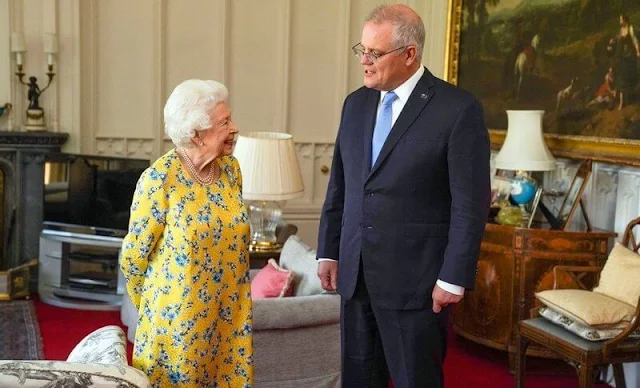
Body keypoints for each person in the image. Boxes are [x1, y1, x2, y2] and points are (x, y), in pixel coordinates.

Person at [316, 5, 490, 388]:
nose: (364, 61)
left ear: (409, 54)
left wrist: (453, 278)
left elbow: (470, 205)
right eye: (361, 50)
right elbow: (342, 185)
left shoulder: (458, 110)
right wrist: (329, 250)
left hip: (418, 285)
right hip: (355, 275)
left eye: (374, 53)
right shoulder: (355, 104)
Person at [120, 79, 253, 387]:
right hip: (177, 323)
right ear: (196, 134)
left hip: (229, 319)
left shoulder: (231, 170)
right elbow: (133, 257)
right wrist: (158, 305)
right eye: (224, 123)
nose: (234, 128)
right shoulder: (158, 179)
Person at [614, 13, 640, 110]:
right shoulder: (621, 30)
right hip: (623, 57)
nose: (619, 21)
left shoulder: (630, 28)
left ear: (625, 20)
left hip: (630, 56)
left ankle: (628, 100)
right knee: (621, 79)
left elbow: (635, 41)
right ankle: (622, 102)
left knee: (628, 79)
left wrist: (638, 51)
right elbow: (619, 42)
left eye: (620, 19)